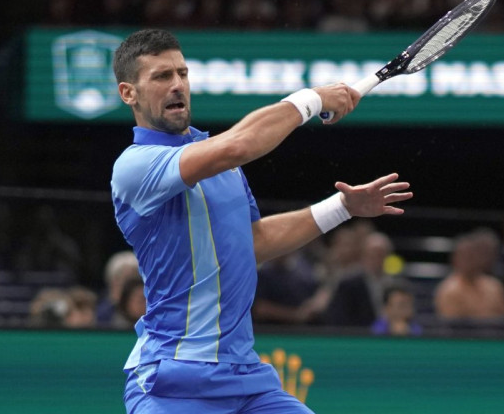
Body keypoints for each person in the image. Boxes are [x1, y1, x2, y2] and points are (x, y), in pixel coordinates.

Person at [110, 29, 412, 414]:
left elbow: (254, 241)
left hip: (247, 379)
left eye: (182, 74)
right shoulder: (134, 166)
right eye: (161, 77)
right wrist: (312, 98)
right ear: (128, 93)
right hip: (173, 382)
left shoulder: (222, 164)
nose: (177, 85)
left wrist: (343, 208)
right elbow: (238, 145)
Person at [434, 232, 504, 323]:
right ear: (455, 259)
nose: (470, 260)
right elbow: (453, 324)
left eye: (472, 255)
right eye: (465, 256)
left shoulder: (495, 286)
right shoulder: (448, 290)